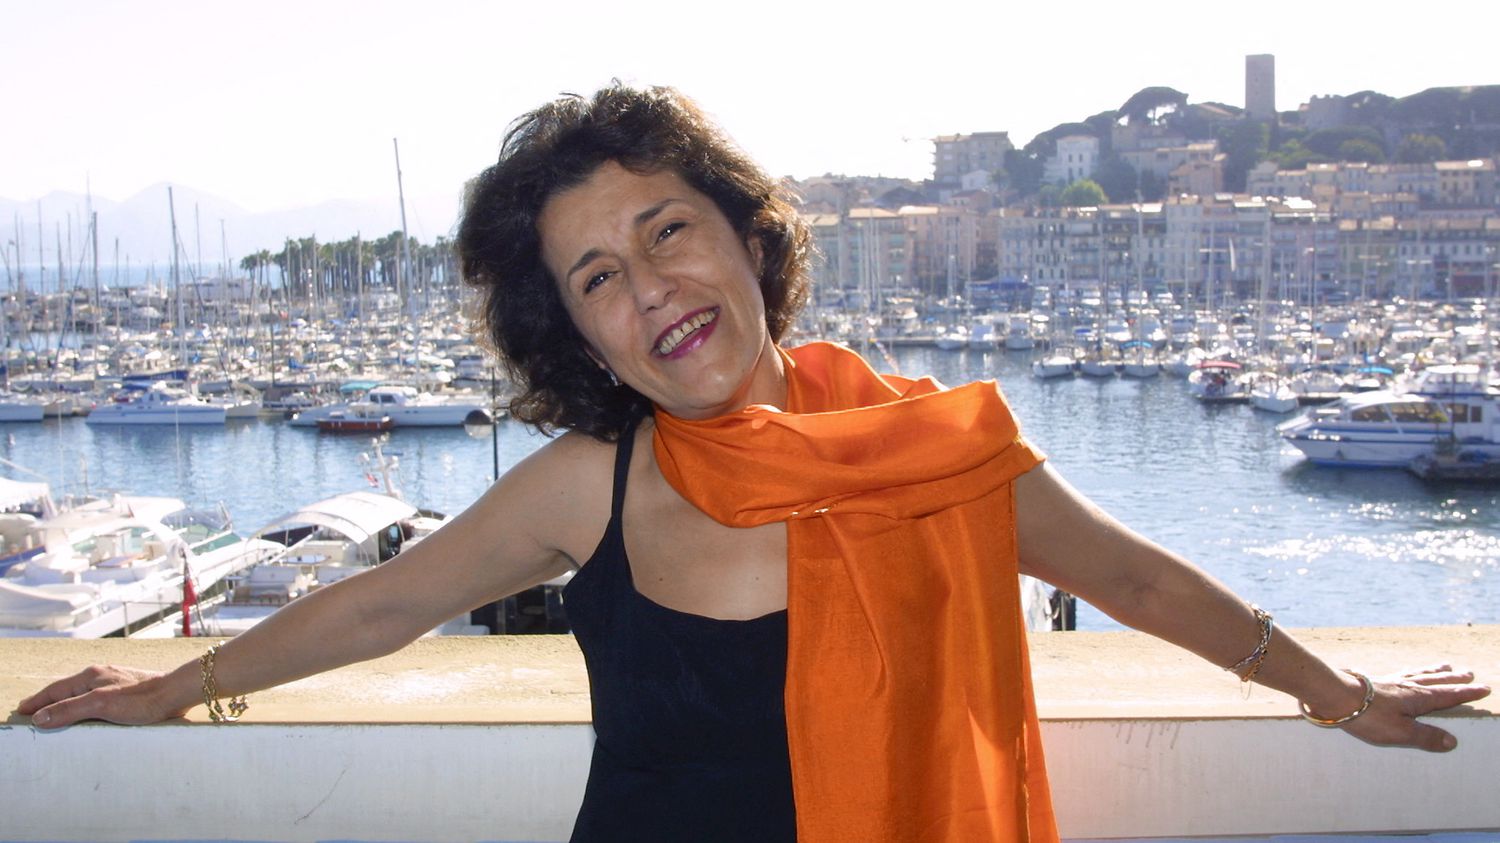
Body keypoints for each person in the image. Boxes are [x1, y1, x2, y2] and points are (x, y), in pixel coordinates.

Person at [16, 84, 1489, 843]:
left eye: (666, 229)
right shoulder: (588, 484)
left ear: (746, 234)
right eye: (597, 277)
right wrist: (178, 685)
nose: (649, 286)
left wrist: (1337, 691)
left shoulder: (932, 449)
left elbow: (1136, 580)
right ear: (580, 333)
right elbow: (385, 603)